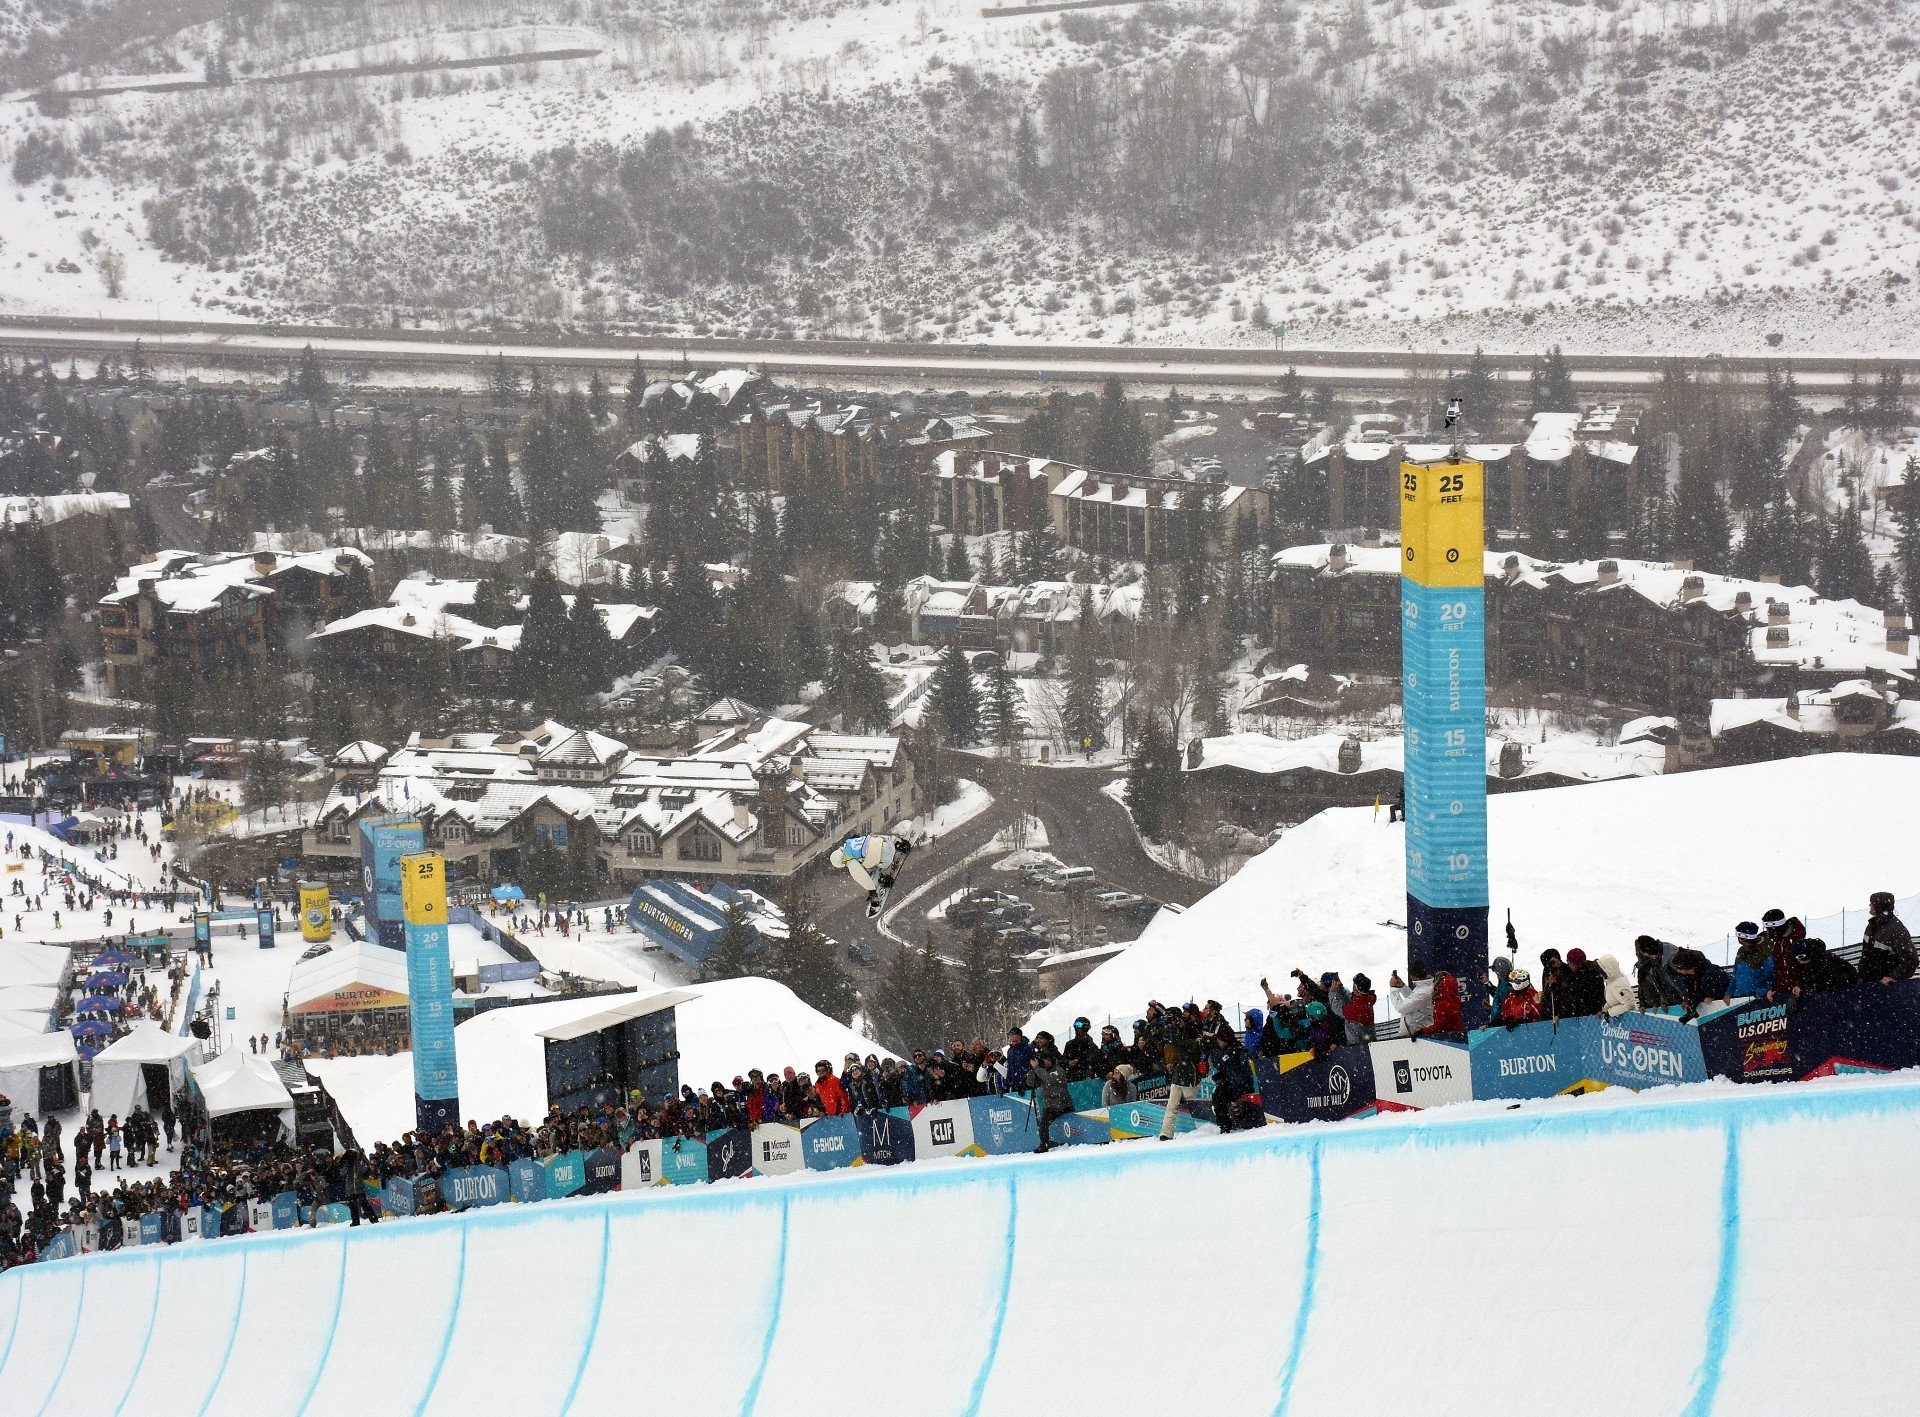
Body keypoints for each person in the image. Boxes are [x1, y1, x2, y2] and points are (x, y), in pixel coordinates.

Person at [830, 834, 913, 917]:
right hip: (889, 844)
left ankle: (883, 879)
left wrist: (874, 896)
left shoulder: (850, 861)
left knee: (867, 872)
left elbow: (863, 879)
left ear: (841, 863)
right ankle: (899, 844)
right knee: (871, 843)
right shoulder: (850, 841)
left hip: (885, 860)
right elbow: (872, 837)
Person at [1158, 1009, 1201, 1139]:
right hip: (1180, 1075)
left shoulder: (1192, 1032)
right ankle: (1165, 1133)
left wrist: (1175, 1029)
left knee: (1192, 1105)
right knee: (1172, 1105)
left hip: (1189, 1075)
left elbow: (1184, 1045)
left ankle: (1201, 1129)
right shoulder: (1175, 1032)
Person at [1857, 893, 1916, 985]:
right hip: (1869, 986)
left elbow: (1911, 960)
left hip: (1888, 990)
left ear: (1879, 905)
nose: (1869, 905)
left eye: (1871, 903)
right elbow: (1865, 955)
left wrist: (1893, 977)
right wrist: (1861, 976)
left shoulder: (1896, 929)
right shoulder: (1871, 926)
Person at [1028, 1050, 1073, 1154]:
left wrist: (1036, 1068)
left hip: (1062, 1103)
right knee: (1043, 1125)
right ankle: (1044, 1145)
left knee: (1074, 1122)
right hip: (1050, 1106)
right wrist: (1032, 1070)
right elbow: (1030, 1083)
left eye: (1043, 1060)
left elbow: (1050, 1079)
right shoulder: (1041, 1071)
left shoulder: (1058, 1070)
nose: (1042, 1062)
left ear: (1049, 1060)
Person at [1669, 948, 1732, 1021]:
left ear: (1685, 967)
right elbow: (1692, 993)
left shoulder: (1711, 972)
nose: (1678, 971)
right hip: (1716, 1011)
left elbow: (1725, 986)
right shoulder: (1688, 978)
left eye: (1679, 968)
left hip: (1728, 1006)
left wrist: (1712, 996)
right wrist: (1691, 1006)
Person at [1634, 936, 1686, 1011]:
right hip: (1671, 1005)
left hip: (1686, 1002)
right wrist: (1663, 1001)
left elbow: (1682, 979)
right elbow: (1660, 983)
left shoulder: (1670, 956)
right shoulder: (1652, 963)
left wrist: (1687, 998)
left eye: (1639, 950)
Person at [1794, 938, 1859, 994]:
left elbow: (1829, 982)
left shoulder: (1827, 961)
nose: (1799, 961)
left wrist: (1817, 985)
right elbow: (1808, 980)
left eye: (1800, 957)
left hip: (1844, 994)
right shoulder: (1810, 965)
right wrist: (1800, 986)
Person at [1388, 965, 1436, 1036]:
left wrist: (1393, 989)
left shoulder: (1424, 992)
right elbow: (1413, 1002)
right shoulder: (1423, 987)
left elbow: (1400, 1007)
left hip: (1417, 1035)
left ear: (1413, 975)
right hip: (1415, 1032)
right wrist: (1402, 986)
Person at [1730, 922, 1774, 1000]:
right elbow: (1735, 976)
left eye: (1739, 937)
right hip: (1738, 999)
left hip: (1757, 1001)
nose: (1739, 941)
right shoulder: (1741, 951)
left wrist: (1761, 992)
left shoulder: (1764, 953)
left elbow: (1771, 977)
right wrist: (1729, 993)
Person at [1004, 1028, 1034, 1093]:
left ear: (1020, 1036)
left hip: (1027, 1086)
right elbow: (1010, 1070)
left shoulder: (1028, 1048)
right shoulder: (1010, 1051)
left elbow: (1030, 1068)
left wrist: (1024, 1084)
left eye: (1015, 1035)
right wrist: (1007, 1085)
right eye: (1011, 1036)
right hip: (1015, 1086)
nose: (1012, 1038)